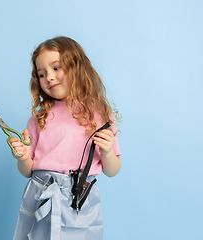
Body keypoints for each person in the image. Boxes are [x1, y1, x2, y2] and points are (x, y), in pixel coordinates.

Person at [10, 36, 121, 240]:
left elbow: (112, 170)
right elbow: (27, 172)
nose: (49, 77)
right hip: (41, 195)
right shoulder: (39, 118)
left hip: (78, 199)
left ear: (77, 67)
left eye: (56, 68)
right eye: (42, 74)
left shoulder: (98, 114)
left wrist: (107, 152)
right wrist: (24, 158)